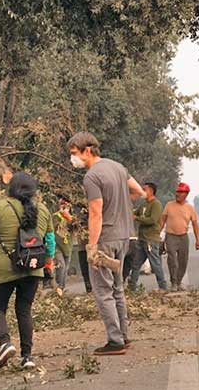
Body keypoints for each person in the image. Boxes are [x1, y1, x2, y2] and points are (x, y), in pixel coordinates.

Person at [0, 172, 56, 370]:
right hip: (33, 268)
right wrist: (48, 266)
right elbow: (50, 243)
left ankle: (5, 343)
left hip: (6, 269)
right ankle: (28, 357)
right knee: (24, 310)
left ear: (11, 189)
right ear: (32, 190)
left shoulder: (0, 207)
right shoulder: (43, 209)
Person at [67, 132, 146, 356]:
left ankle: (114, 341)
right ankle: (124, 335)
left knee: (103, 292)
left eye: (74, 154)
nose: (72, 159)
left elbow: (95, 213)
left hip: (105, 239)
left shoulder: (92, 177)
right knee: (118, 289)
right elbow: (139, 191)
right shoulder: (118, 167)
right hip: (124, 237)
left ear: (88, 150)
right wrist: (120, 205)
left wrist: (92, 246)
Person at [160, 183, 199, 292]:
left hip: (183, 236)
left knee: (183, 261)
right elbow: (162, 220)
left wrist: (197, 240)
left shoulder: (190, 208)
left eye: (180, 192)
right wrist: (157, 234)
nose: (177, 194)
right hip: (170, 236)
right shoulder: (169, 205)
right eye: (177, 192)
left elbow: (195, 224)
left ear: (186, 194)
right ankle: (173, 283)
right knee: (172, 260)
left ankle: (178, 282)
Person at [128, 182, 168, 292]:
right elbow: (134, 213)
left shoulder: (156, 204)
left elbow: (153, 220)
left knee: (155, 264)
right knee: (136, 264)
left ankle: (162, 287)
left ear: (151, 191)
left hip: (150, 239)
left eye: (144, 189)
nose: (142, 191)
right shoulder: (144, 204)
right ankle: (131, 287)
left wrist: (137, 218)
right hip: (141, 239)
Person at [53, 197, 74, 296]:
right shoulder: (55, 217)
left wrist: (68, 216)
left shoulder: (73, 218)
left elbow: (77, 227)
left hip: (68, 247)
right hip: (57, 246)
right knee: (61, 266)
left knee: (65, 269)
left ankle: (61, 289)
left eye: (66, 204)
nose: (64, 206)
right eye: (62, 204)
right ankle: (58, 288)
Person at [76, 209, 93, 293]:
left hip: (92, 247)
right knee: (85, 273)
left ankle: (93, 290)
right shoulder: (78, 214)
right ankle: (89, 290)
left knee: (92, 272)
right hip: (83, 247)